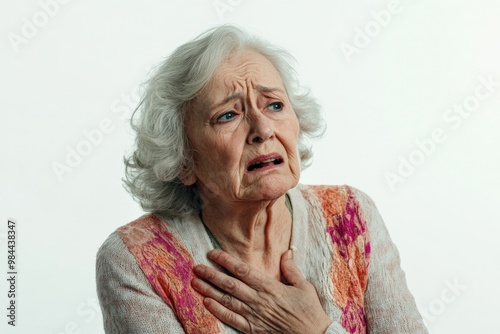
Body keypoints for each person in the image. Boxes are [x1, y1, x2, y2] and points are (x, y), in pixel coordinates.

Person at [96, 25, 428, 334]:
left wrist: (312, 329)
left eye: (274, 105)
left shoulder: (351, 215)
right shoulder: (137, 259)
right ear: (184, 159)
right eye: (228, 115)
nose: (263, 129)